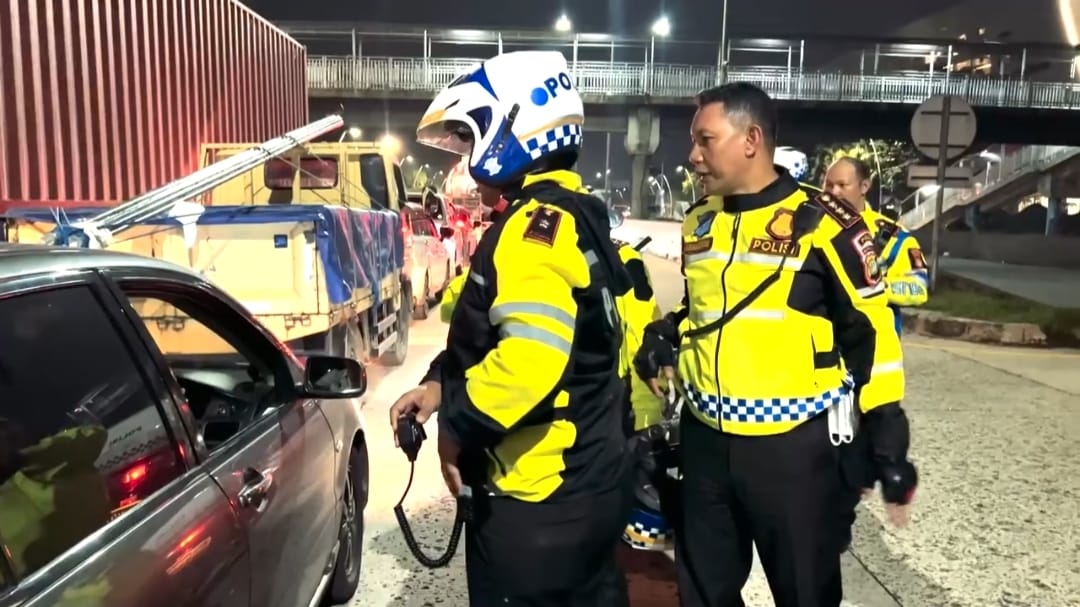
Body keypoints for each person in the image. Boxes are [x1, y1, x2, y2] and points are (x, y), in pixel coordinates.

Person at [634, 82, 918, 607]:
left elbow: (871, 331)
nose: (693, 155)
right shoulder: (700, 219)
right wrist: (663, 335)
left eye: (705, 140)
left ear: (751, 140)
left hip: (792, 452)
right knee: (702, 597)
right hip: (705, 443)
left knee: (805, 595)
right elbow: (702, 309)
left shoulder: (828, 225)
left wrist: (886, 433)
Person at [388, 50, 634, 607]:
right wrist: (440, 383)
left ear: (512, 128)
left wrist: (455, 425)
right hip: (590, 480)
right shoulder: (576, 212)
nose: (468, 155)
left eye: (471, 136)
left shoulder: (529, 232)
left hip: (538, 495)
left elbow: (528, 361)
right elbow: (505, 335)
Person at [823, 156, 930, 335]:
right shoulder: (807, 224)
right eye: (828, 185)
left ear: (864, 186)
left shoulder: (894, 236)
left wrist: (874, 285)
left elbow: (918, 288)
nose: (834, 192)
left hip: (872, 339)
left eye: (842, 185)